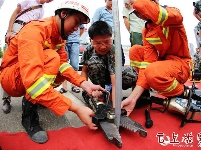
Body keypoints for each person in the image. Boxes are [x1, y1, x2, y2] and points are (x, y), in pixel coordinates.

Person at [0, 0, 104, 144]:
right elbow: (33, 81)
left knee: (58, 64)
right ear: (63, 13)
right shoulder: (35, 30)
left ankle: (41, 97)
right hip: (10, 79)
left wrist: (85, 84)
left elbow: (63, 65)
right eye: (76, 21)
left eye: (80, 25)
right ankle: (29, 115)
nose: (76, 28)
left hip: (24, 76)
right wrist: (76, 108)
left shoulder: (59, 37)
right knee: (51, 58)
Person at [121, 0, 192, 116]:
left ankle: (183, 92)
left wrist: (137, 2)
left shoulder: (173, 14)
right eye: (134, 13)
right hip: (165, 65)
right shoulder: (147, 30)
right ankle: (142, 95)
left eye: (138, 10)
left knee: (153, 72)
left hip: (182, 64)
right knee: (136, 51)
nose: (138, 15)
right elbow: (147, 64)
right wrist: (133, 97)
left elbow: (158, 13)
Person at [2, 0, 53, 114]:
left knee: (28, 65)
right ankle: (6, 99)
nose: (51, 0)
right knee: (8, 64)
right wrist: (9, 31)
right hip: (17, 27)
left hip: (28, 34)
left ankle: (29, 98)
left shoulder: (42, 10)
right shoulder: (29, 0)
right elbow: (15, 13)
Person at [80, 20, 138, 108]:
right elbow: (84, 72)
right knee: (93, 62)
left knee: (132, 73)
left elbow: (115, 82)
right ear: (91, 40)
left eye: (107, 42)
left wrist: (115, 108)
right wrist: (87, 87)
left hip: (113, 77)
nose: (103, 47)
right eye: (98, 43)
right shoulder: (88, 50)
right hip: (99, 79)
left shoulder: (114, 50)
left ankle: (111, 93)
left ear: (111, 38)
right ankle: (100, 92)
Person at [91, 0, 125, 66]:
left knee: (120, 58)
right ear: (105, 1)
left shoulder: (116, 11)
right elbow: (94, 24)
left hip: (115, 38)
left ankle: (119, 74)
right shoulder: (100, 10)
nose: (111, 2)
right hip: (104, 39)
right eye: (109, 0)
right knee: (104, 58)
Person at [59, 24, 85, 94]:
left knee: (74, 65)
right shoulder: (64, 16)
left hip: (75, 42)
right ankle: (64, 87)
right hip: (64, 42)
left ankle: (74, 86)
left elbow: (82, 28)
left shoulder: (77, 17)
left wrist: (77, 37)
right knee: (64, 64)